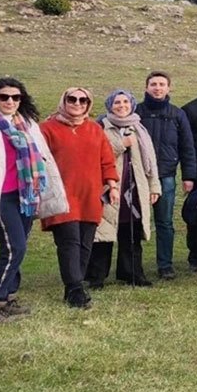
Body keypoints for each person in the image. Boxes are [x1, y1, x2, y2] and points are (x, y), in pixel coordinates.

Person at [0, 78, 68, 323]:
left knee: (16, 249)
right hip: (0, 197)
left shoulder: (27, 124)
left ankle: (7, 297)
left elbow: (43, 158)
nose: (10, 101)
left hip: (26, 195)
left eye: (15, 97)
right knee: (14, 248)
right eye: (4, 97)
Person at [40, 87, 119, 309]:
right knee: (69, 242)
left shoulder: (94, 129)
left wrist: (112, 185)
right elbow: (38, 160)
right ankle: (75, 288)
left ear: (88, 104)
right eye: (72, 99)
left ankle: (74, 286)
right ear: (63, 101)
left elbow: (107, 160)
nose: (77, 103)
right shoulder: (47, 129)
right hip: (61, 195)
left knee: (85, 243)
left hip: (90, 194)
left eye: (83, 100)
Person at [88, 89, 162, 288]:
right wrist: (122, 144)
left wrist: (154, 185)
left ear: (132, 105)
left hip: (135, 189)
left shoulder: (139, 128)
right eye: (117, 103)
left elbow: (150, 160)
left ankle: (131, 273)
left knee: (132, 232)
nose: (122, 106)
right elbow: (96, 155)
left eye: (125, 102)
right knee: (104, 233)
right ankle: (96, 277)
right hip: (109, 188)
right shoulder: (100, 128)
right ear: (110, 106)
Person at [134, 71, 196, 280]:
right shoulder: (135, 112)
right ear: (146, 88)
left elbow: (187, 147)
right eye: (153, 84)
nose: (157, 88)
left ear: (168, 88)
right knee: (134, 223)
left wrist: (189, 177)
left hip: (166, 176)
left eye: (161, 84)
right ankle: (133, 267)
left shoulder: (178, 114)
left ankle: (165, 265)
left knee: (165, 223)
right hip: (137, 177)